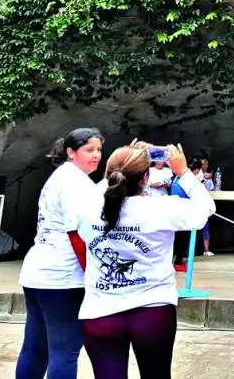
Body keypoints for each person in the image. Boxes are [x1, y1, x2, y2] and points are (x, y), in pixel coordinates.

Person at [77, 142, 215, 379]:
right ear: (146, 178)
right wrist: (183, 172)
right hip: (152, 309)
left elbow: (101, 191)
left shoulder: (86, 206)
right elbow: (206, 209)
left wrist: (124, 159)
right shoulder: (162, 208)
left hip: (101, 309)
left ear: (108, 173)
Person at [16, 128, 103, 379]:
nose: (96, 155)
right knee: (65, 351)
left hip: (37, 273)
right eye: (89, 150)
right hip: (62, 278)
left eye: (99, 149)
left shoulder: (63, 176)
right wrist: (93, 274)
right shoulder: (75, 183)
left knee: (36, 348)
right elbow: (77, 236)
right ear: (71, 152)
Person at [190, 158, 214, 257]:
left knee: (205, 226)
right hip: (194, 204)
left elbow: (210, 188)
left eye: (206, 164)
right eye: (203, 164)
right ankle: (190, 250)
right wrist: (203, 178)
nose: (205, 166)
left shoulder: (207, 175)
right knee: (193, 226)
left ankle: (206, 250)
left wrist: (208, 179)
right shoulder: (193, 174)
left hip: (204, 203)